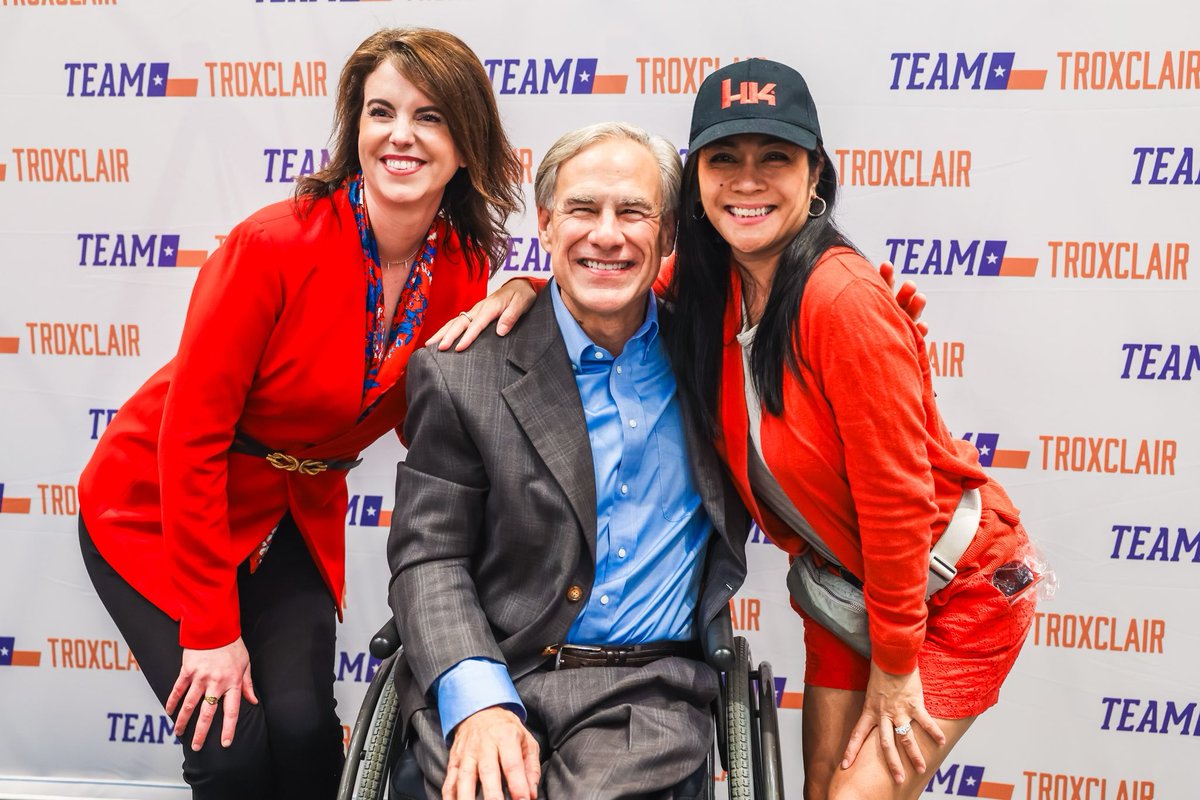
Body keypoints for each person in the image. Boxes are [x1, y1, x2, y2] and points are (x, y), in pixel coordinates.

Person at [76, 28, 526, 799]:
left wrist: (529, 292)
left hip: (289, 514)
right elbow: (189, 442)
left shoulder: (462, 266)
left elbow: (430, 422)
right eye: (381, 112)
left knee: (306, 731)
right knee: (229, 746)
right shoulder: (270, 245)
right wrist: (211, 631)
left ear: (465, 145)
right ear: (356, 129)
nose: (401, 134)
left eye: (430, 116)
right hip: (156, 506)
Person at [665, 60, 1038, 800]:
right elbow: (603, 286)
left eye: (775, 157)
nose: (747, 181)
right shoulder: (709, 284)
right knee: (821, 790)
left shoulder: (841, 298)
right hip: (846, 585)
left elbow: (896, 501)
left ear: (815, 178)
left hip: (955, 588)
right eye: (723, 158)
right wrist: (521, 289)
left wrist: (895, 668)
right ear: (696, 181)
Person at [386, 121, 750, 800]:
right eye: (582, 209)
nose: (607, 235)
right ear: (547, 225)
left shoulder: (718, 359)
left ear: (669, 234)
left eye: (634, 212)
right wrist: (479, 700)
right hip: (497, 666)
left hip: (648, 694)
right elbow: (429, 555)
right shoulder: (461, 372)